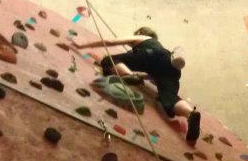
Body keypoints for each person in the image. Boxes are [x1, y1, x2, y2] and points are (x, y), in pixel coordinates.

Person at [71, 27, 201, 144]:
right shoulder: (165, 51)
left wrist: (82, 44)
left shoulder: (144, 37)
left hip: (150, 55)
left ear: (140, 33)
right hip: (172, 69)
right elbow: (153, 76)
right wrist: (140, 77)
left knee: (109, 60)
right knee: (170, 98)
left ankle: (128, 74)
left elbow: (110, 41)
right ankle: (190, 114)